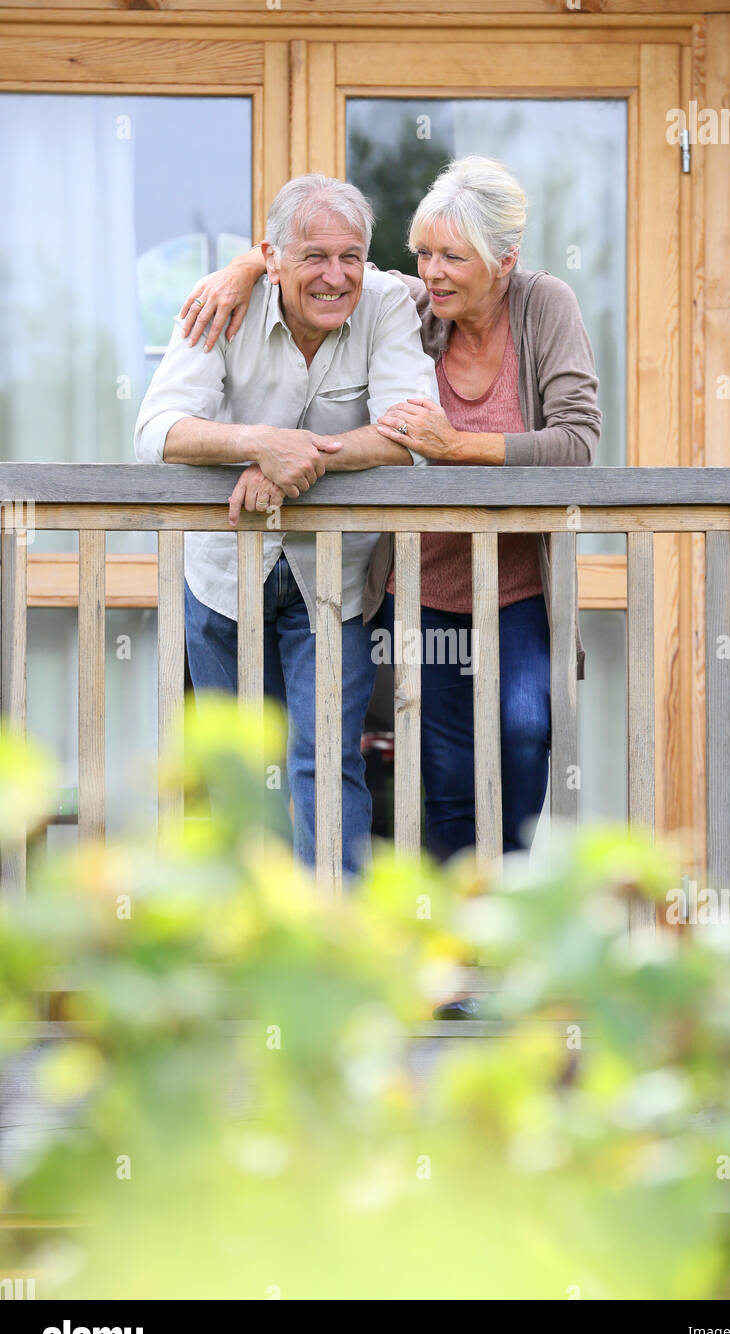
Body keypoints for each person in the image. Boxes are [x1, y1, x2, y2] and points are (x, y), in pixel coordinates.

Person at [179, 156, 601, 866]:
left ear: (504, 261)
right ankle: (453, 943)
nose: (433, 271)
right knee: (439, 768)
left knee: (526, 731)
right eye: (425, 253)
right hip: (419, 584)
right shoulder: (412, 303)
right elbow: (327, 272)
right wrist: (243, 271)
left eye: (453, 257)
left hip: (518, 583)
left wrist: (459, 447)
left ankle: (509, 908)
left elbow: (577, 443)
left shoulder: (544, 305)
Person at [135, 174, 438, 874]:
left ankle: (332, 952)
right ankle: (254, 958)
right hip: (221, 572)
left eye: (351, 256)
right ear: (271, 257)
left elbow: (413, 434)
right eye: (315, 257)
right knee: (246, 776)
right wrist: (256, 442)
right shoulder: (224, 300)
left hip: (333, 575)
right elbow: (156, 430)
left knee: (325, 760)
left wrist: (299, 461)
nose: (336, 276)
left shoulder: (387, 301)